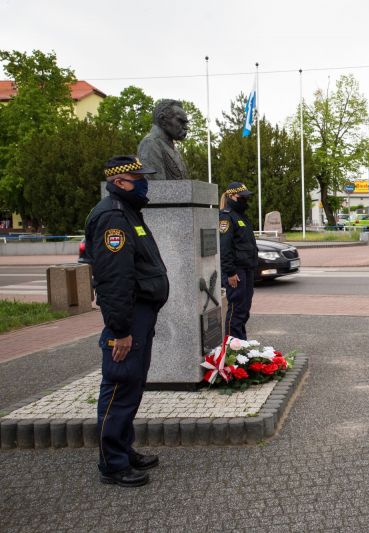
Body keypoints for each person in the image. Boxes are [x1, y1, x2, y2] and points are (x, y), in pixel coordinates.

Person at [84, 155, 169, 486]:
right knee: (120, 385)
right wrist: (120, 330)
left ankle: (123, 448)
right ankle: (112, 463)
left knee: (132, 385)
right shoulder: (113, 219)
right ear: (119, 182)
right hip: (128, 317)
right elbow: (114, 280)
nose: (145, 183)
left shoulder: (128, 213)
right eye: (139, 178)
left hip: (140, 315)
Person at [219, 181, 257, 339]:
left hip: (247, 269)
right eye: (241, 197)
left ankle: (241, 343)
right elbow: (225, 247)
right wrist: (230, 272)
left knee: (244, 310)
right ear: (231, 196)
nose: (245, 200)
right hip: (236, 272)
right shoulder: (226, 217)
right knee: (236, 310)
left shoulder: (241, 216)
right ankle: (232, 347)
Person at [137, 99, 190, 180]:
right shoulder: (149, 144)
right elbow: (157, 186)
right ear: (163, 119)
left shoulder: (174, 149)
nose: (185, 127)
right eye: (180, 121)